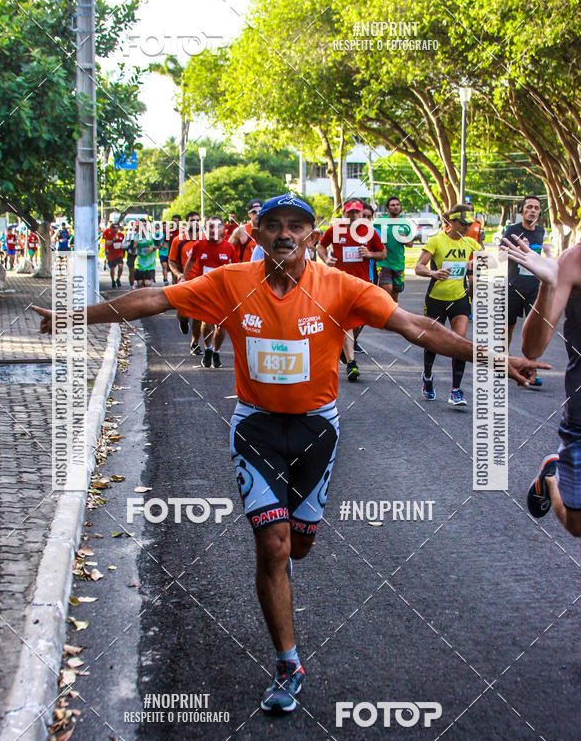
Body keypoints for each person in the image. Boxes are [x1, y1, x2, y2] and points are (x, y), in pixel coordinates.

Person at [31, 192, 544, 714]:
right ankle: (287, 662)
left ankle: (286, 563)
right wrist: (75, 317)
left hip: (318, 432)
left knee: (298, 547)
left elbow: (419, 328)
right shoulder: (230, 282)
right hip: (255, 428)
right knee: (273, 546)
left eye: (296, 226)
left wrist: (494, 358)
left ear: (312, 237)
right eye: (272, 225)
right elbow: (154, 300)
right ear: (256, 235)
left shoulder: (341, 287)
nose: (284, 234)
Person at [502, 235, 580, 537]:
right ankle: (553, 476)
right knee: (577, 525)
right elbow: (533, 348)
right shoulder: (574, 261)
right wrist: (548, 284)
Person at [415, 204, 481, 407]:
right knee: (432, 341)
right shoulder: (436, 241)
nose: (466, 227)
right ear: (451, 222)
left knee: (460, 343)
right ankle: (427, 377)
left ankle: (456, 390)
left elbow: (489, 261)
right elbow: (419, 267)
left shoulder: (471, 243)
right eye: (462, 223)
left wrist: (477, 263)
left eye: (469, 224)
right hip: (436, 298)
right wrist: (433, 273)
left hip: (460, 298)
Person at [317, 199, 386, 381]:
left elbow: (382, 253)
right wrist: (326, 259)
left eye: (356, 212)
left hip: (362, 283)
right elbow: (321, 246)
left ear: (361, 213)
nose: (353, 216)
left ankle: (343, 348)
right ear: (344, 213)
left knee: (360, 321)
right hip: (339, 282)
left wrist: (370, 254)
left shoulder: (368, 231)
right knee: (347, 321)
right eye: (350, 212)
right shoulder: (335, 229)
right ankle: (351, 364)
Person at [501, 196, 545, 387]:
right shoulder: (512, 231)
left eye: (536, 208)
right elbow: (501, 256)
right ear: (522, 211)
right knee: (508, 327)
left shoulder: (541, 232)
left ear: (540, 212)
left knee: (534, 330)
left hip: (534, 287)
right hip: (513, 286)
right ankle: (503, 364)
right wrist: (518, 248)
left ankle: (530, 369)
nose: (532, 210)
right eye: (529, 207)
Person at [183, 215, 238, 369]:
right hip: (205, 290)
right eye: (210, 227)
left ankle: (216, 351)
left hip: (222, 291)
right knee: (206, 322)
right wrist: (183, 277)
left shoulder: (229, 248)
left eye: (216, 227)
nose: (213, 230)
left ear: (222, 229)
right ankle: (208, 349)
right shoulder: (199, 245)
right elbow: (191, 261)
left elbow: (236, 268)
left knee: (221, 326)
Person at [168, 211, 203, 350]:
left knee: (198, 314)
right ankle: (182, 321)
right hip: (184, 281)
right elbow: (171, 261)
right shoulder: (179, 240)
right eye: (192, 220)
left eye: (198, 220)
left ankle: (194, 343)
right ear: (187, 223)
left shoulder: (203, 239)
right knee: (182, 313)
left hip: (200, 281)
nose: (195, 223)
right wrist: (178, 274)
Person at [376, 196, 414, 303]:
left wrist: (404, 238)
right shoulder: (380, 222)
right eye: (392, 205)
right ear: (388, 208)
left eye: (397, 205)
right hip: (383, 262)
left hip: (398, 263)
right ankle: (384, 314)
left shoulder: (406, 223)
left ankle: (393, 314)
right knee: (387, 288)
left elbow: (410, 244)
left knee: (395, 293)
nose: (395, 207)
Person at [134, 222, 157, 288]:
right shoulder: (136, 237)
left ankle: (147, 296)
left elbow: (160, 245)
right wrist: (134, 246)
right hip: (139, 264)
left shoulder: (152, 236)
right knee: (140, 283)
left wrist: (152, 249)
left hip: (150, 264)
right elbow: (133, 252)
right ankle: (140, 296)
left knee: (147, 283)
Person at [102, 220, 125, 288]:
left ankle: (118, 279)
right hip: (111, 254)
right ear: (111, 228)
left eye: (117, 227)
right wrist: (113, 240)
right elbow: (107, 243)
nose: (116, 229)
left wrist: (123, 247)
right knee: (112, 269)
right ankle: (113, 280)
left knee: (120, 266)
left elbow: (124, 243)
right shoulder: (109, 234)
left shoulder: (121, 235)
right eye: (114, 227)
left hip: (119, 254)